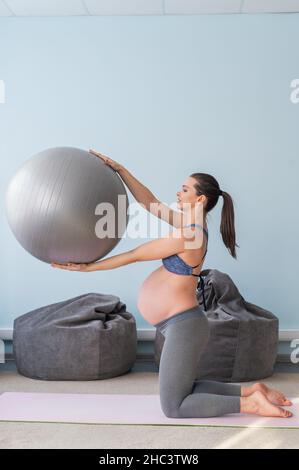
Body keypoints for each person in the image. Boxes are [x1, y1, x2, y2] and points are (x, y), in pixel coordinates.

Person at [51, 148, 293, 419]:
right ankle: (251, 392)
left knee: (174, 406)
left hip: (184, 326)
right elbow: (149, 202)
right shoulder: (187, 225)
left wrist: (87, 268)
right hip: (179, 324)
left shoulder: (190, 235)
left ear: (200, 199)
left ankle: (250, 405)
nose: (179, 193)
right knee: (184, 388)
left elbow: (134, 255)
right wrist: (120, 169)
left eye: (185, 189)